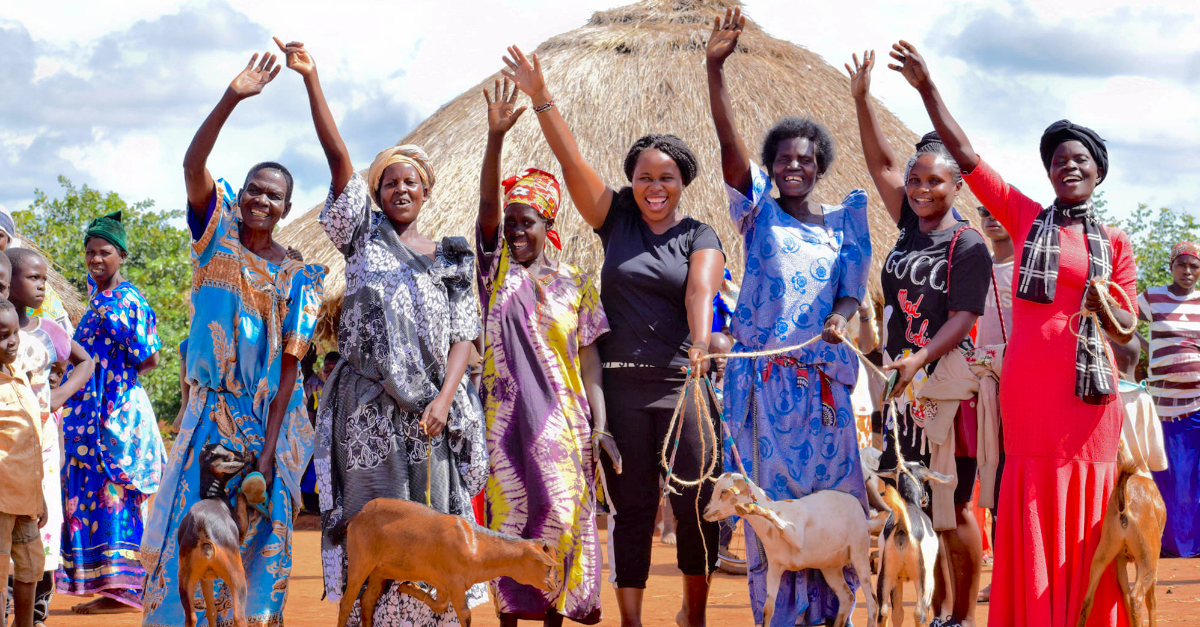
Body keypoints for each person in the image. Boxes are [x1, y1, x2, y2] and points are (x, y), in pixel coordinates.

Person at [890, 40, 1138, 627]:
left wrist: (1107, 314)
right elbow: (967, 157)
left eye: (1080, 160)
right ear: (1049, 173)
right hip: (1028, 394)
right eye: (1058, 161)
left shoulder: (1119, 246)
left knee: (1089, 507)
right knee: (1028, 499)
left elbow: (1129, 343)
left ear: (1098, 172)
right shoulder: (1024, 219)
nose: (1069, 166)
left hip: (1090, 405)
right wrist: (927, 89)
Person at [502, 44, 725, 627]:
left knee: (696, 507)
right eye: (645, 177)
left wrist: (700, 346)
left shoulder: (701, 235)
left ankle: (693, 616)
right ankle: (631, 621)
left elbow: (701, 293)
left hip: (685, 388)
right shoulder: (615, 218)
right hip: (621, 394)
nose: (655, 187)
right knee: (631, 509)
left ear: (683, 184)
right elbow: (571, 159)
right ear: (632, 181)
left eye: (667, 178)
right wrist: (541, 97)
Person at [282, 40, 487, 627]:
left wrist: (446, 400)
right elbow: (337, 157)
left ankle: (431, 619)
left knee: (429, 520)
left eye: (410, 182)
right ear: (377, 194)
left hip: (428, 412)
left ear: (425, 191)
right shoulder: (362, 238)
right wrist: (312, 80)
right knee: (374, 520)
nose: (400, 189)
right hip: (366, 410)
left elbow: (465, 337)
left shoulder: (450, 255)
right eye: (389, 182)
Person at [139, 49, 326, 627]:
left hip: (270, 416)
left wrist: (268, 454)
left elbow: (292, 368)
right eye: (253, 190)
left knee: (261, 534)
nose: (260, 200)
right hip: (209, 413)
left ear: (287, 207)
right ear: (239, 195)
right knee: (192, 532)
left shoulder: (299, 275)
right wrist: (232, 98)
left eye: (273, 195)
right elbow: (193, 164)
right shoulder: (215, 237)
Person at [706, 10, 872, 626]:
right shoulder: (758, 216)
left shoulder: (845, 225)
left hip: (822, 390)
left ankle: (840, 616)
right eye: (783, 159)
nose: (793, 167)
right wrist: (714, 69)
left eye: (805, 159)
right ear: (771, 167)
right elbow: (729, 150)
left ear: (819, 164)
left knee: (830, 508)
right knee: (771, 510)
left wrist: (842, 320)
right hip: (764, 390)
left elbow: (851, 294)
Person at [848, 49, 991, 627]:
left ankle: (960, 615)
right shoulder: (908, 225)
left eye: (936, 181)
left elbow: (964, 317)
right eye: (916, 180)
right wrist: (861, 101)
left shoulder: (968, 243)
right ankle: (932, 609)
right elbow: (880, 162)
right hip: (903, 388)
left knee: (953, 506)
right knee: (910, 499)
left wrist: (920, 359)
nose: (922, 189)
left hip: (947, 389)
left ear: (957, 185)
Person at [475, 80, 615, 626]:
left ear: (548, 226)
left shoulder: (576, 282)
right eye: (510, 224)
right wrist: (495, 139)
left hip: (564, 426)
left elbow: (589, 361)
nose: (514, 231)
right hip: (504, 427)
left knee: (559, 518)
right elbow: (487, 207)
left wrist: (600, 426)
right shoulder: (494, 274)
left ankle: (555, 617)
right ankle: (510, 619)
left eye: (525, 222)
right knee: (509, 528)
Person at [58, 210, 165, 614]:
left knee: (116, 493)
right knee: (95, 495)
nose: (96, 259)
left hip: (116, 411)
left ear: (121, 255)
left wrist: (112, 381)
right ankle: (110, 588)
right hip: (92, 412)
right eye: (90, 253)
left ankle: (127, 590)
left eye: (104, 252)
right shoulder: (98, 298)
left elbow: (150, 357)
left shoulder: (126, 300)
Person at [5, 249, 93, 627]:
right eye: (33, 278)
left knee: (42, 525)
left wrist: (57, 397)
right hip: (9, 444)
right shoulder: (6, 331)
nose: (42, 285)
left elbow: (85, 362)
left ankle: (37, 610)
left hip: (41, 439)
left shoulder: (48, 329)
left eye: (44, 279)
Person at [1140, 242, 1200, 557]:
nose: (1188, 272)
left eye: (1194, 266)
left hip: (1197, 403)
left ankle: (1191, 545)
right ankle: (1167, 544)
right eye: (1182, 265)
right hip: (1163, 405)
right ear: (1171, 266)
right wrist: (1144, 347)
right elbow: (1122, 321)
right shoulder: (1152, 297)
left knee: (1193, 477)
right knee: (1167, 475)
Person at [974, 204, 1013, 604]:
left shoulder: (1028, 270)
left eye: (999, 210)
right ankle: (1001, 576)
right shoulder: (976, 268)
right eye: (984, 210)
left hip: (1027, 393)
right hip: (987, 392)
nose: (991, 217)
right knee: (996, 484)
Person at [0, 297, 47, 627]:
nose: (13, 341)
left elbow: (29, 441)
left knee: (31, 563)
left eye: (14, 332)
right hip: (1, 499)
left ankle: (25, 624)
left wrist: (38, 493)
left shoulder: (17, 373)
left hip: (25, 497)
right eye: (3, 335)